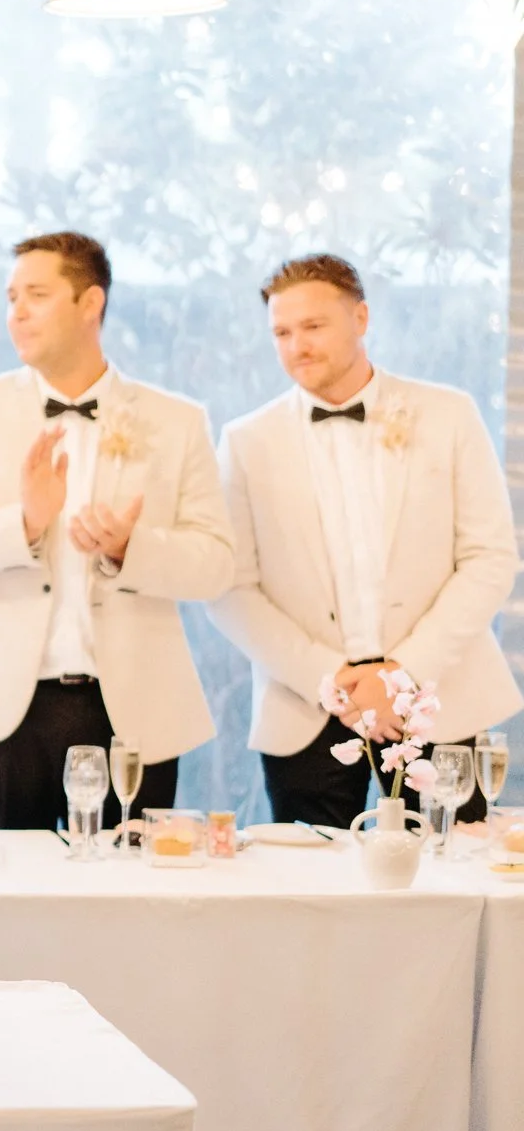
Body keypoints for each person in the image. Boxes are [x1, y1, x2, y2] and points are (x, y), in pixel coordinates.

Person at [0, 232, 233, 829]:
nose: (17, 312)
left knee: (128, 885)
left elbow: (217, 565)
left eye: (37, 294)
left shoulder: (176, 421)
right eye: (11, 297)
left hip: (133, 710)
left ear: (90, 303)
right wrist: (22, 523)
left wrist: (130, 549)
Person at [209, 253, 520, 827]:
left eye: (313, 326)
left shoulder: (448, 415)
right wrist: (330, 679)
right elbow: (230, 589)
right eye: (282, 332)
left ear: (361, 318)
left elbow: (490, 559)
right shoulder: (246, 441)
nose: (297, 346)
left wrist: (402, 675)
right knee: (312, 880)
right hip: (307, 711)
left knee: (450, 870)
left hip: (441, 698)